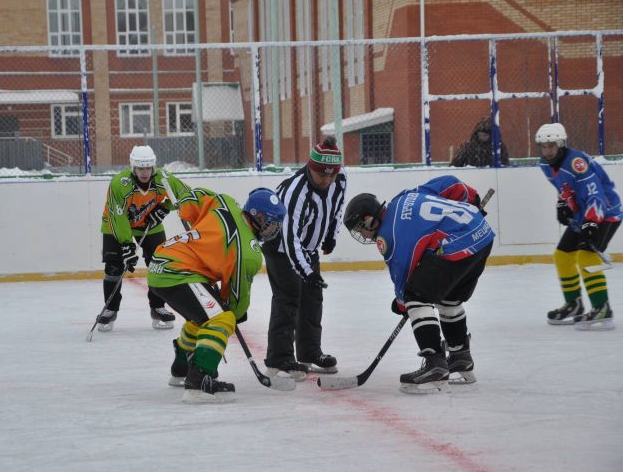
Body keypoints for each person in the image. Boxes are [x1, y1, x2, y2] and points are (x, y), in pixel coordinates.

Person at [343, 175, 495, 394]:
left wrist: (403, 303)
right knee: (448, 298)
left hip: (458, 246)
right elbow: (450, 183)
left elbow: (403, 274)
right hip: (481, 235)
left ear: (369, 219)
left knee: (416, 296)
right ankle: (460, 358)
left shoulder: (387, 237)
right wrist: (470, 198)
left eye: (359, 228)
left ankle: (435, 365)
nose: (361, 234)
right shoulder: (404, 197)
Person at [147, 186, 286, 403]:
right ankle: (198, 382)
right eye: (270, 223)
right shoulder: (249, 252)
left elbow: (197, 196)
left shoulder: (226, 201)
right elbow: (237, 297)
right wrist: (235, 315)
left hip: (163, 263)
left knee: (206, 317)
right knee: (222, 318)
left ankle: (182, 365)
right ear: (256, 216)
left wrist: (184, 207)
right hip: (177, 272)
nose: (273, 230)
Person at [263, 136, 347, 381]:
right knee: (288, 298)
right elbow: (289, 239)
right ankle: (279, 358)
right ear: (310, 167)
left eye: (332, 175)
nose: (327, 180)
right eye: (322, 175)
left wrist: (331, 234)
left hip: (307, 248)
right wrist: (307, 272)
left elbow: (337, 207)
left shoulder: (339, 180)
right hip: (280, 247)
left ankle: (309, 352)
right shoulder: (295, 191)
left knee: (313, 298)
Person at [536, 123, 621, 330]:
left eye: (551, 146)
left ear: (561, 144)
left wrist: (591, 223)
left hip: (605, 212)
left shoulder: (576, 162)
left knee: (586, 256)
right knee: (563, 255)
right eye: (543, 146)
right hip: (582, 215)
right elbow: (566, 187)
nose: (547, 151)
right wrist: (563, 203)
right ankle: (574, 304)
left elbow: (595, 194)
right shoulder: (545, 164)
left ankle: (602, 307)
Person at [98, 145, 189, 332]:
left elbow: (184, 195)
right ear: (133, 168)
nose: (145, 173)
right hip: (115, 225)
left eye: (148, 168)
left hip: (148, 223)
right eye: (140, 168)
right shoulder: (119, 184)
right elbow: (118, 216)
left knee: (159, 263)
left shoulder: (164, 179)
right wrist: (125, 245)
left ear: (153, 167)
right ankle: (110, 308)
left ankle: (158, 307)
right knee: (114, 266)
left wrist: (164, 208)